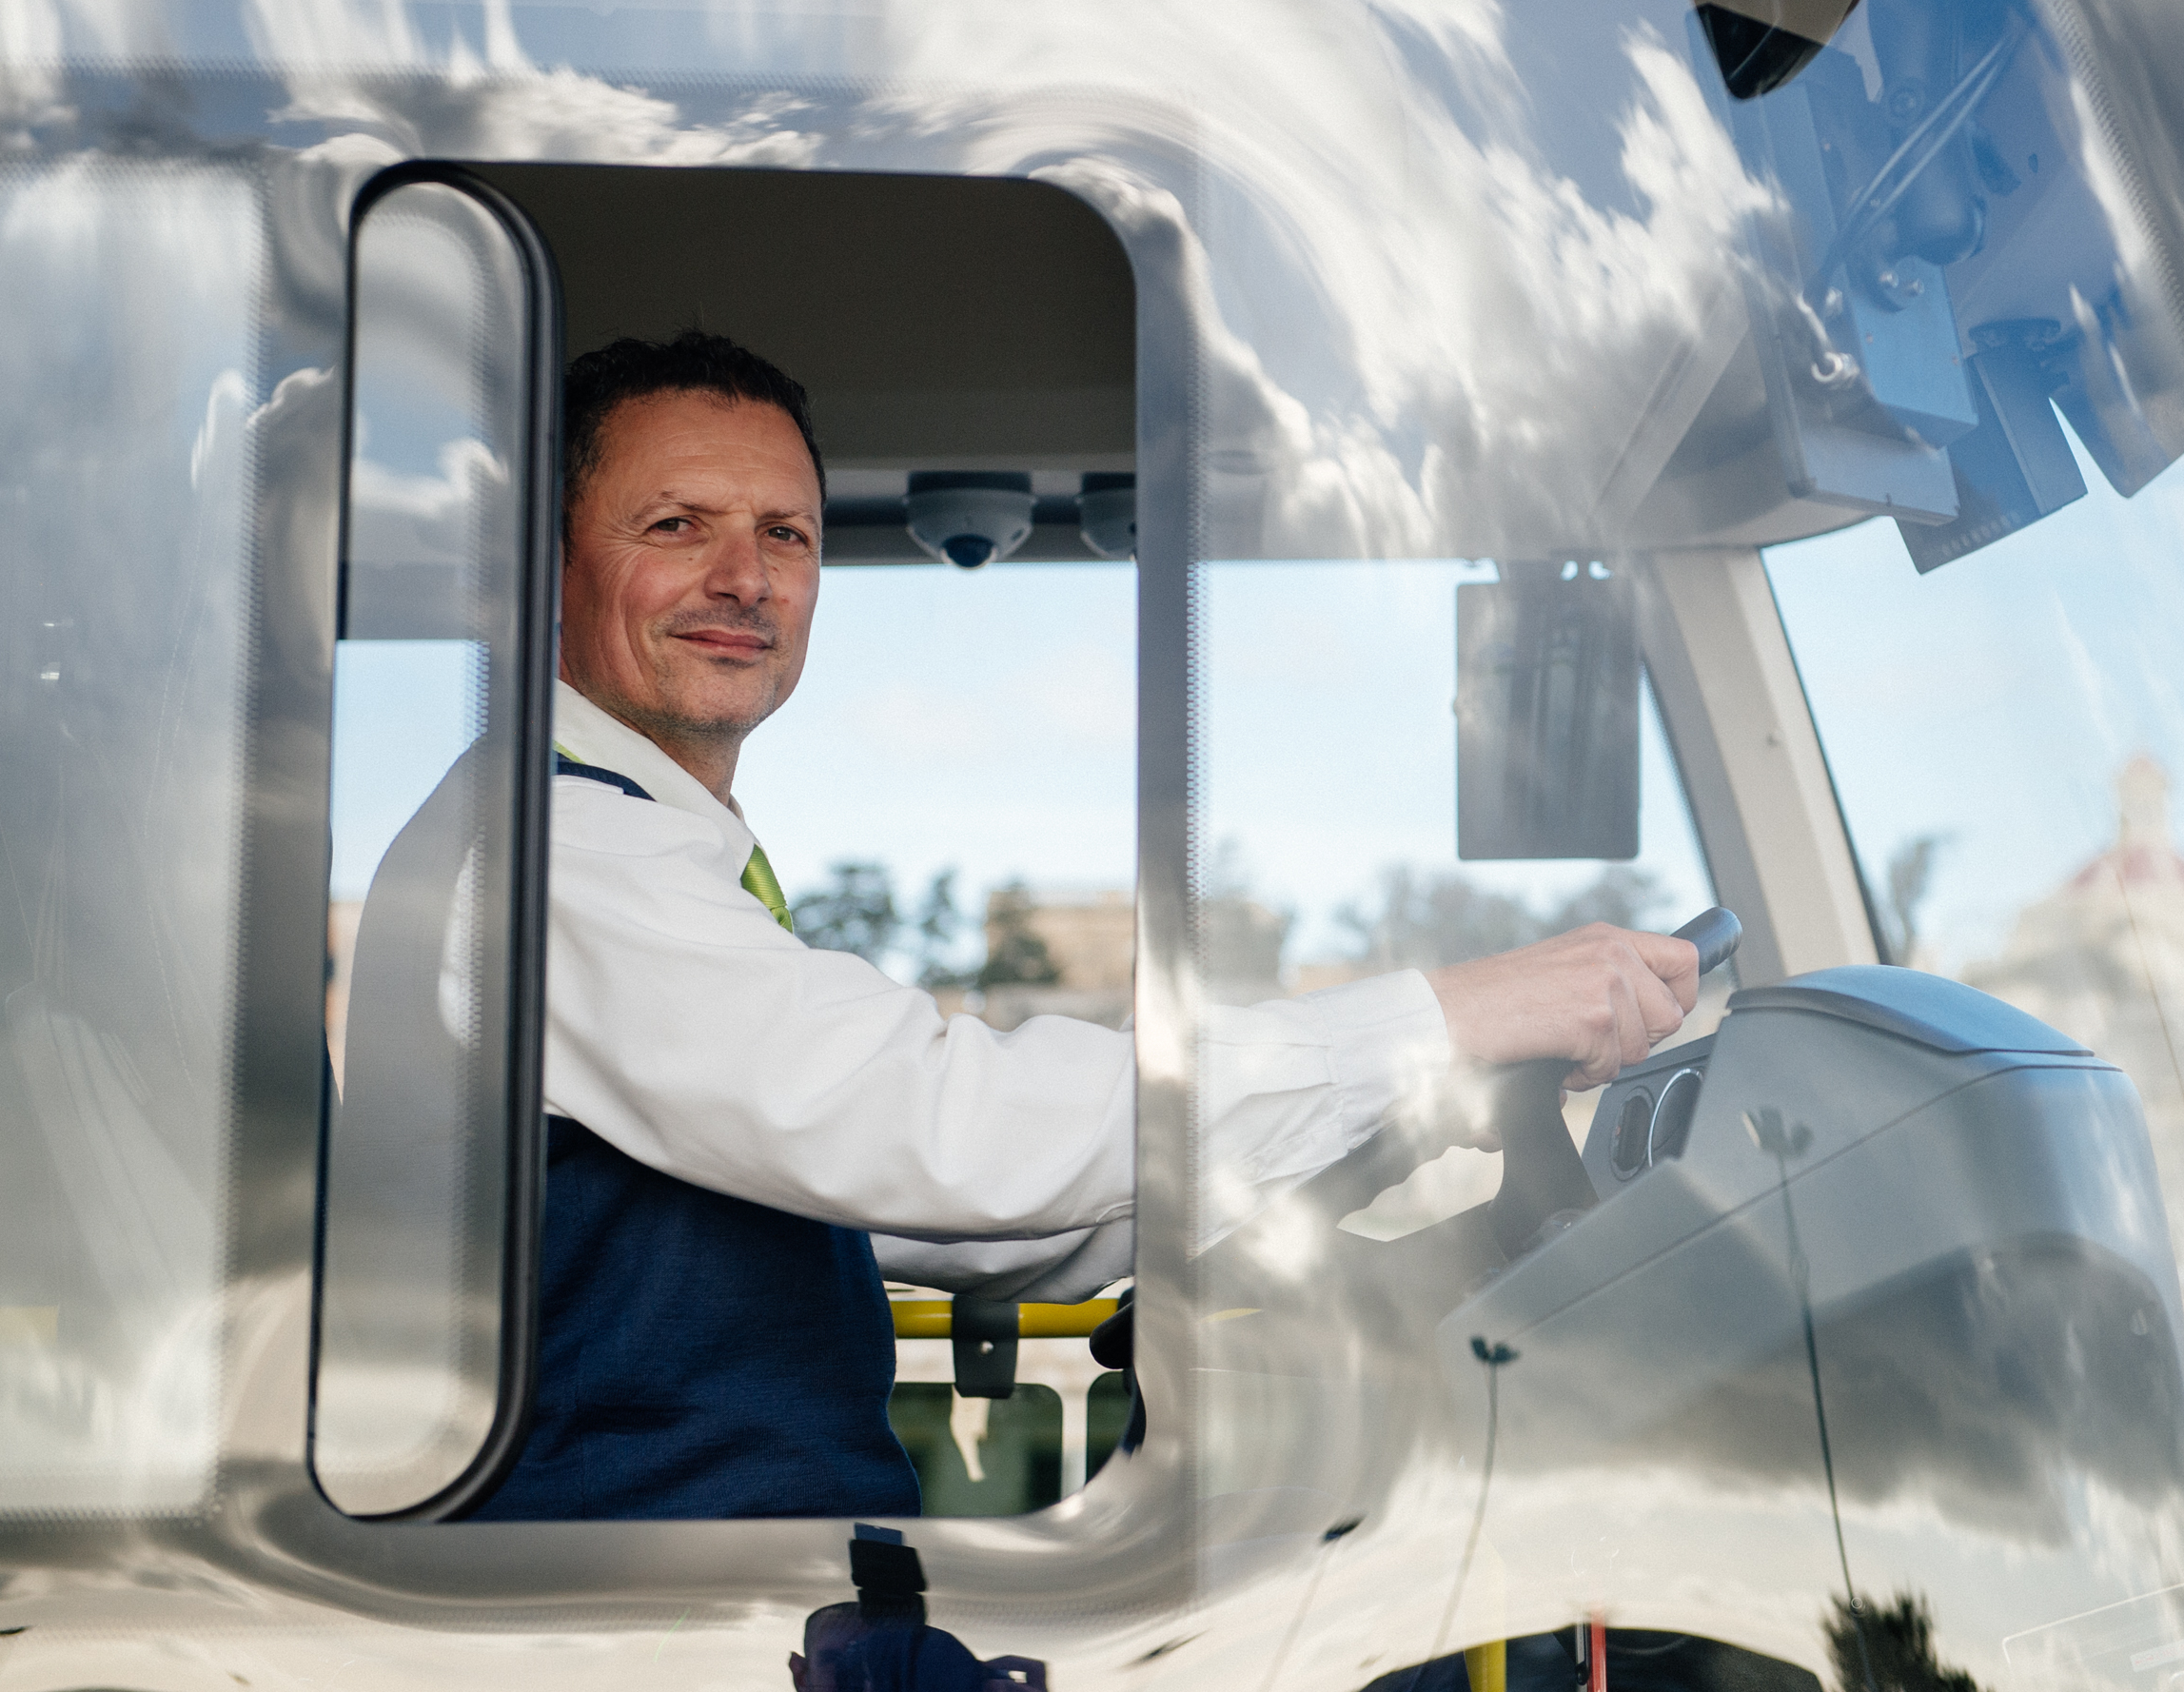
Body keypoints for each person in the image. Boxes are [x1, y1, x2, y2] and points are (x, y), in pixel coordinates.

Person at [469, 331, 1703, 1521]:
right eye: (676, 525)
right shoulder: (567, 855)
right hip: (651, 1622)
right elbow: (946, 1135)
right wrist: (1445, 1018)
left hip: (748, 1589)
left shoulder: (626, 842)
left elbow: (935, 1210)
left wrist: (1335, 1143)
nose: (745, 577)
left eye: (783, 534)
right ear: (551, 558)